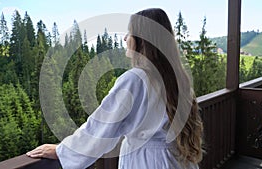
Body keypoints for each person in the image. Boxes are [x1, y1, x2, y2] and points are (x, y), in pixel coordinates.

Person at [26, 8, 204, 169]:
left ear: (142, 40)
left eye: (129, 33)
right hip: (178, 161)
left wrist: (63, 151)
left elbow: (102, 124)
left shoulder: (135, 79)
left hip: (149, 162)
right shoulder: (178, 77)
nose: (125, 38)